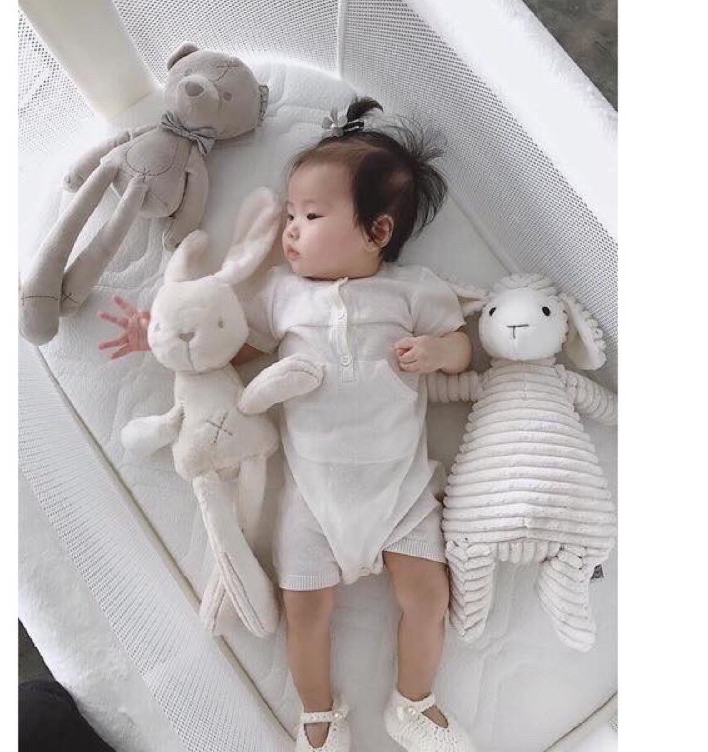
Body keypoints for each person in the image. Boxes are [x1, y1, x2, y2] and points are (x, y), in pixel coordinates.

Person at [99, 98, 477, 752]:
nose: (291, 230)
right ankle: (319, 717)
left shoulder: (410, 290)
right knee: (305, 611)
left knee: (428, 597)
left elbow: (463, 347)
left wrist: (440, 351)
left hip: (401, 492)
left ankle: (414, 703)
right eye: (291, 214)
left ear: (377, 231)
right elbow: (234, 350)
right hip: (314, 499)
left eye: (311, 215)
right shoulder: (282, 294)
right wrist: (163, 337)